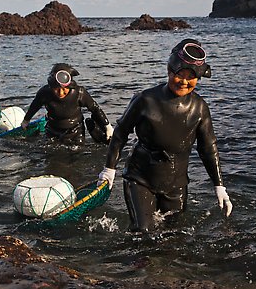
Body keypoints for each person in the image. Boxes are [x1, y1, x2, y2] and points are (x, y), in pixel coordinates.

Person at [96, 39, 233, 232]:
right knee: (143, 232)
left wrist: (219, 185)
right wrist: (109, 169)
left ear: (199, 78)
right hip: (140, 178)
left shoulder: (199, 108)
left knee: (174, 236)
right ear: (170, 71)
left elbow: (208, 148)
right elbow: (120, 133)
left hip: (176, 184)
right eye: (180, 75)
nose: (184, 82)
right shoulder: (145, 100)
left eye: (191, 77)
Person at [21, 63, 114, 145]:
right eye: (56, 89)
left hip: (75, 132)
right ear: (51, 86)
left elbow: (95, 109)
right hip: (52, 131)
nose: (61, 93)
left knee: (77, 156)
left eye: (64, 89)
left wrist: (108, 127)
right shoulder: (44, 93)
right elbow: (34, 106)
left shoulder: (79, 93)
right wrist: (26, 121)